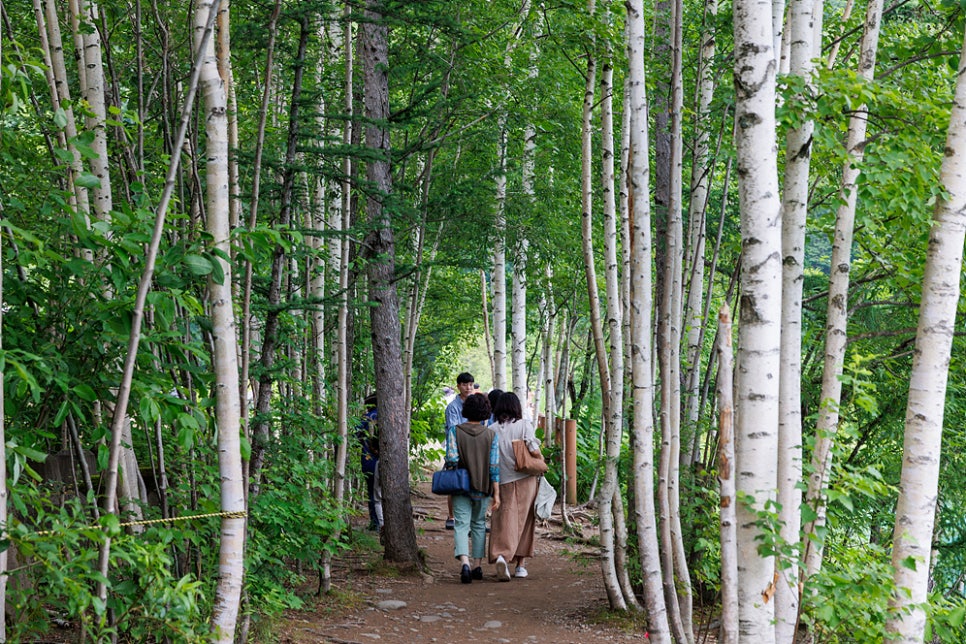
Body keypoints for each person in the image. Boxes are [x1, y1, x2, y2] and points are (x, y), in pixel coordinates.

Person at [445, 392, 500, 583]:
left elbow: (452, 459)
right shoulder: (492, 435)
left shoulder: (455, 431)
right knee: (478, 524)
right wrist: (497, 493)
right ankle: (477, 565)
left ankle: (465, 564)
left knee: (461, 524)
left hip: (461, 485)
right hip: (484, 486)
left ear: (466, 410)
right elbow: (494, 467)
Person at [488, 391, 541, 581]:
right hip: (526, 479)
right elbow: (533, 449)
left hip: (502, 481)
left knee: (504, 520)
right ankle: (520, 565)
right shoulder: (524, 425)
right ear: (516, 407)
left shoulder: (492, 429)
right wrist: (540, 458)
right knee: (525, 521)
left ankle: (501, 555)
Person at [443, 372, 475, 529]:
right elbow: (453, 430)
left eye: (470, 384)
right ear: (458, 386)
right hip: (456, 450)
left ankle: (468, 518)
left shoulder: (475, 403)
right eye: (464, 384)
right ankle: (451, 516)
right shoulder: (453, 407)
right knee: (453, 483)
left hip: (473, 451)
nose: (468, 387)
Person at [355, 394, 382, 530]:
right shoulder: (390, 415)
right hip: (388, 463)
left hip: (369, 461)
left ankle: (376, 523)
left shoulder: (366, 419)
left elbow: (355, 437)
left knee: (373, 493)